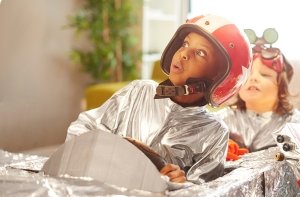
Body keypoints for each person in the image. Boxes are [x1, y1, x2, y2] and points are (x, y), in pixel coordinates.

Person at [66, 14, 251, 184]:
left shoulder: (213, 132)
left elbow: (204, 194)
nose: (184, 53)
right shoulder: (139, 92)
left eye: (200, 53)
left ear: (218, 78)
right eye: (185, 44)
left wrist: (181, 183)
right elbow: (84, 126)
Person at [217, 28, 300, 153]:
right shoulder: (220, 122)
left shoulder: (298, 123)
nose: (254, 78)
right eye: (247, 74)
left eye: (265, 75)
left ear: (281, 88)